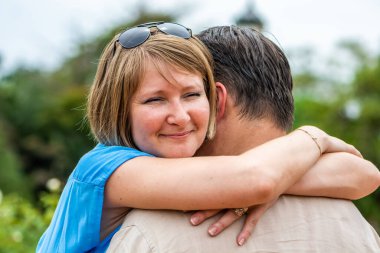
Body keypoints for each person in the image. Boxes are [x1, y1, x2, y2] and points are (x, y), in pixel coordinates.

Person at [37, 22, 369, 252]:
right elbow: (257, 179)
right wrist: (313, 137)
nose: (179, 116)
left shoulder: (190, 169)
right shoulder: (107, 169)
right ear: (119, 110)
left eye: (193, 95)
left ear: (214, 99)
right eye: (155, 99)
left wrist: (275, 180)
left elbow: (362, 175)